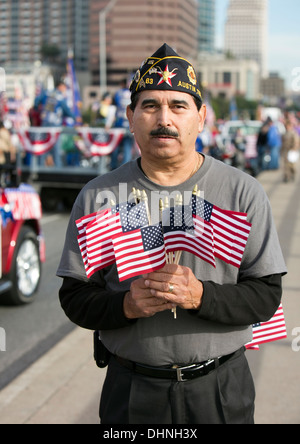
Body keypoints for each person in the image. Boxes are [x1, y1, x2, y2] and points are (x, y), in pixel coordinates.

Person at [57, 44, 287, 425]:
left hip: (220, 389)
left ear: (201, 117)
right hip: (131, 389)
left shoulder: (243, 192)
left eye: (179, 106)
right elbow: (75, 296)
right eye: (150, 106)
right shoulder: (98, 196)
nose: (164, 118)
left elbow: (266, 294)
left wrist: (201, 296)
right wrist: (126, 306)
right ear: (131, 117)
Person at [35, 80, 78, 167]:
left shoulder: (47, 93)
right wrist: (75, 118)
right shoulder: (60, 96)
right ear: (60, 86)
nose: (65, 89)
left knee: (43, 147)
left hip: (45, 124)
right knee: (56, 148)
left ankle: (40, 166)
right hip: (54, 126)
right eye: (64, 87)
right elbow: (66, 111)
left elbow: (37, 101)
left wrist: (37, 109)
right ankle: (58, 168)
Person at [110, 78, 134, 169]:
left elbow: (112, 109)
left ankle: (113, 166)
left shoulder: (118, 93)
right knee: (127, 148)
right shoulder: (134, 94)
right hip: (129, 124)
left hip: (118, 124)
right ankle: (125, 167)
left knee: (115, 146)